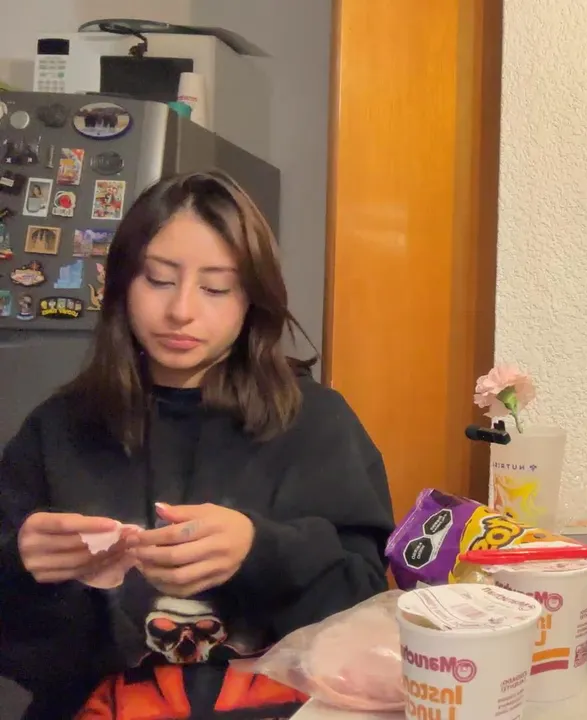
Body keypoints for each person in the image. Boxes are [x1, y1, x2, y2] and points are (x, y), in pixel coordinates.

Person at [0, 170, 396, 718]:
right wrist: (22, 569)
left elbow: (367, 610)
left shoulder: (315, 423)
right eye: (159, 280)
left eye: (215, 288)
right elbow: (26, 657)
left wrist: (259, 550)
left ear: (252, 298)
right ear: (121, 285)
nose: (181, 310)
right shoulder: (59, 428)